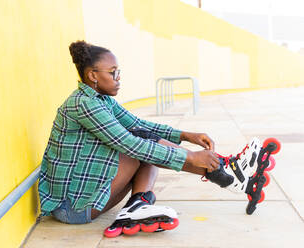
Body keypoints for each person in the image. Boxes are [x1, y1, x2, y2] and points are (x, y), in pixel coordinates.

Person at [37, 40, 246, 232]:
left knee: (146, 139)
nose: (118, 79)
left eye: (118, 72)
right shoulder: (83, 104)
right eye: (113, 73)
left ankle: (138, 206)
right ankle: (222, 170)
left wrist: (185, 135)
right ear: (93, 75)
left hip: (86, 198)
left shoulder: (101, 100)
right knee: (141, 144)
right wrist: (191, 156)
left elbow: (138, 124)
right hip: (71, 207)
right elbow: (129, 144)